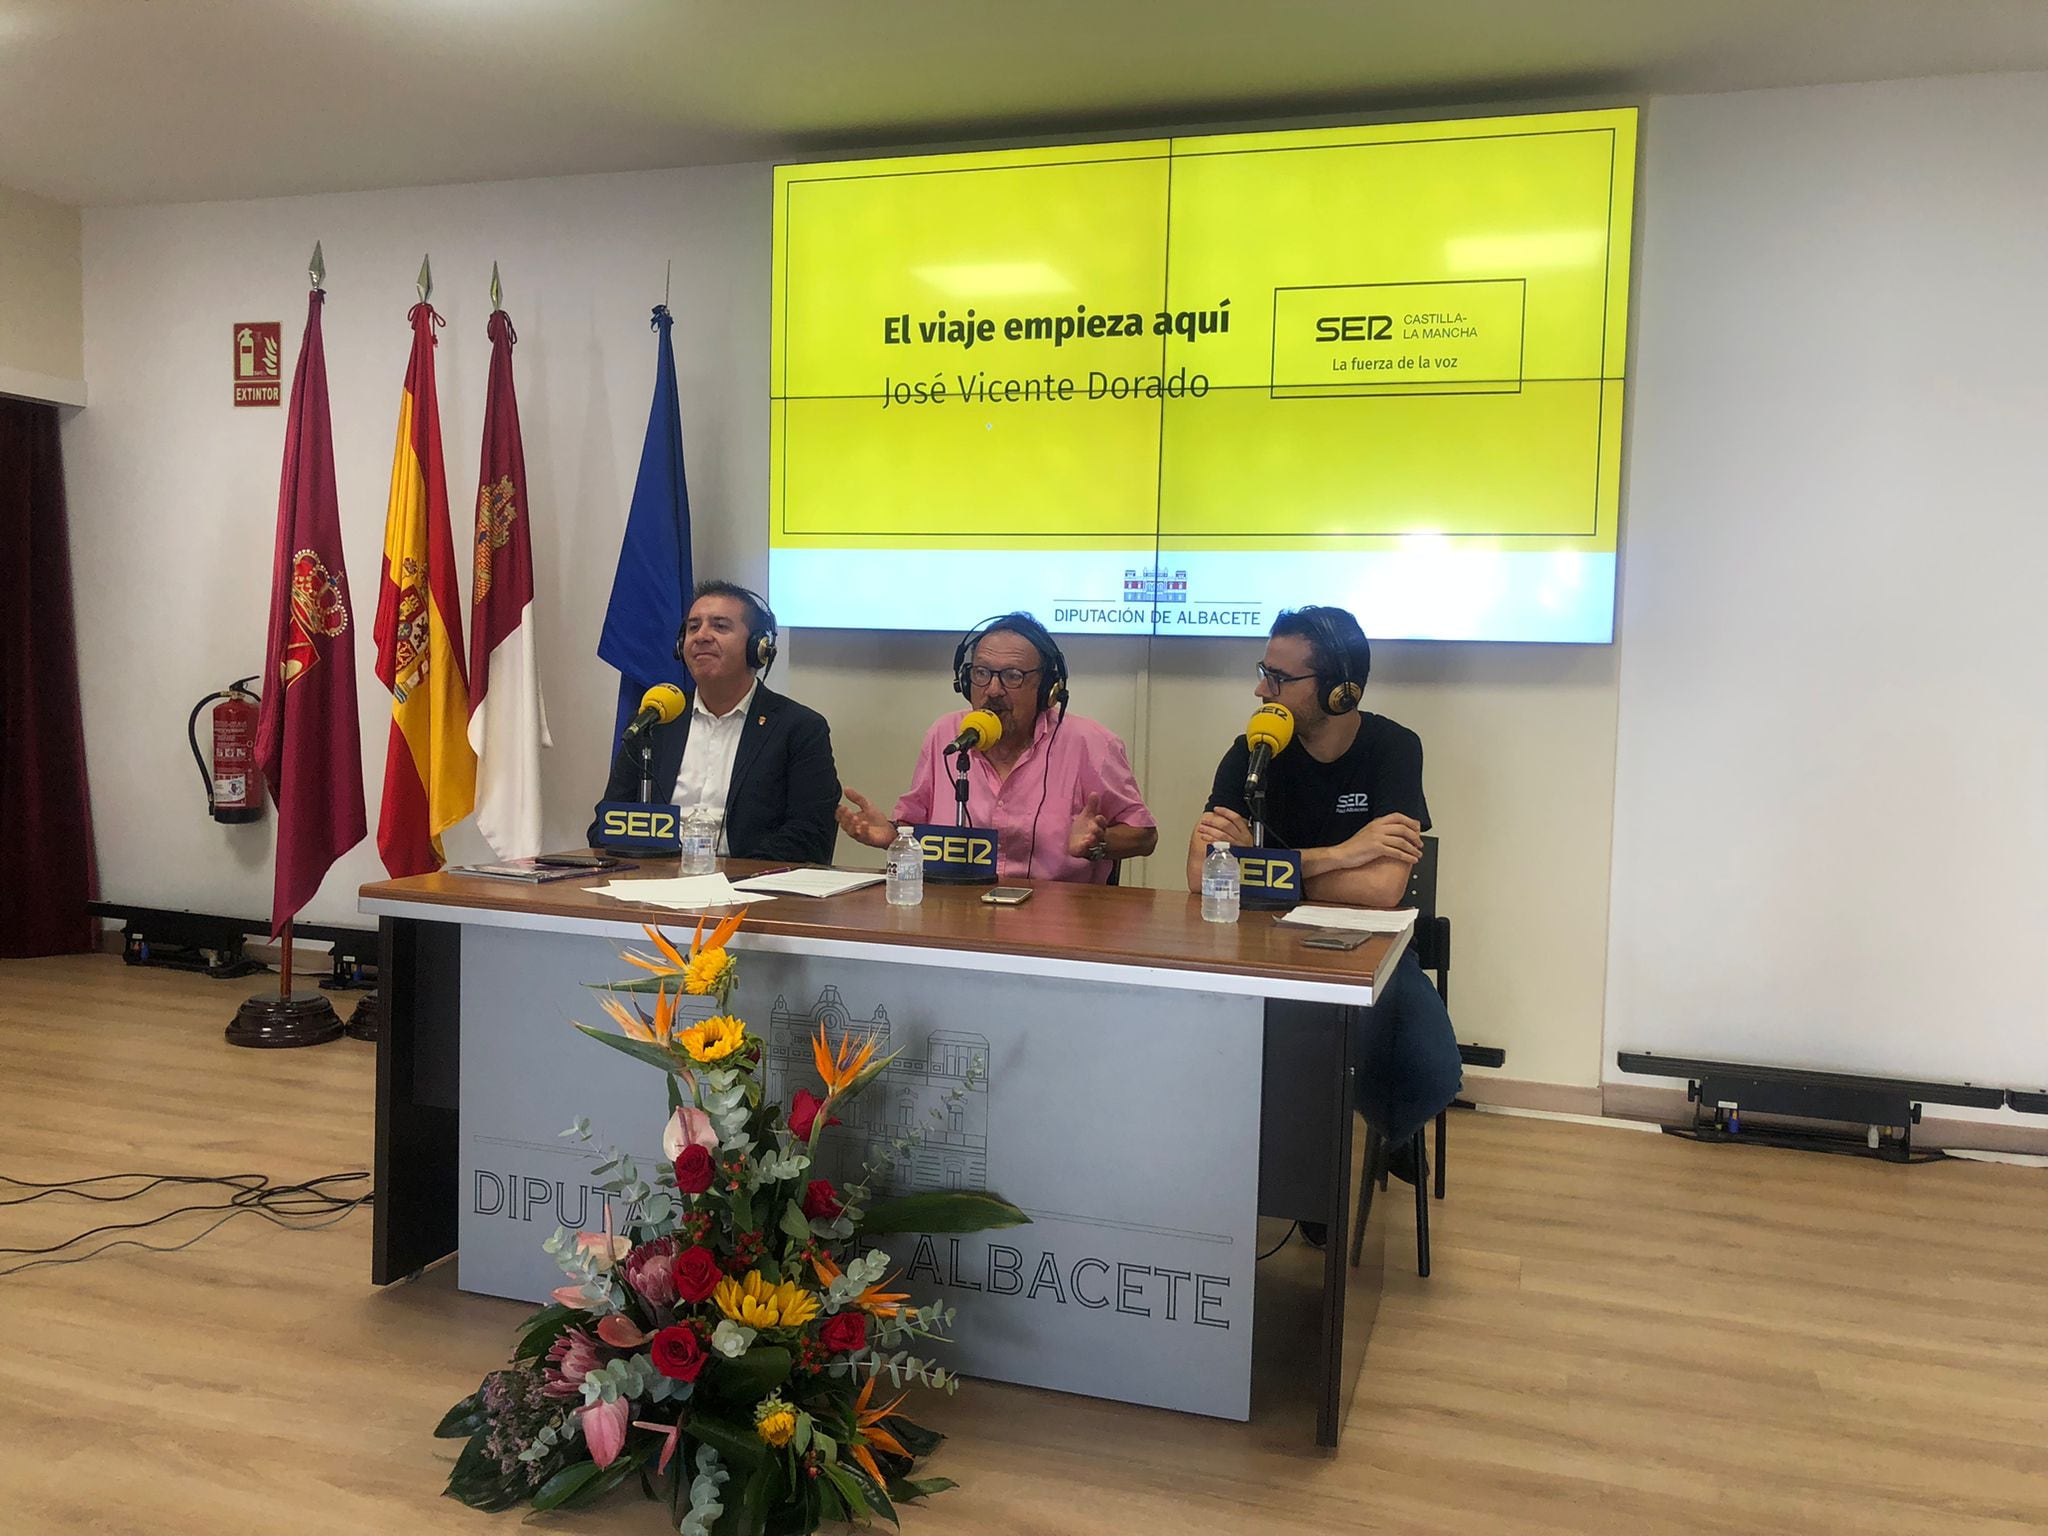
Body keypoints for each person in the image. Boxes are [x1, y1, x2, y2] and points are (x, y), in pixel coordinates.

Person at [1186, 604, 1461, 1199]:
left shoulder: (1393, 748)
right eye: (1265, 671)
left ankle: (1388, 1134)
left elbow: (1384, 889)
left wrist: (1265, 869)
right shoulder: (1251, 753)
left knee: (1428, 1070)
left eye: (1280, 679)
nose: (1263, 689)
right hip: (1262, 948)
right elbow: (1201, 873)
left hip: (1370, 949)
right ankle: (1301, 1183)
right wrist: (1340, 854)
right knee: (1240, 1058)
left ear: (1341, 690)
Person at [837, 613, 1157, 882]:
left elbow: (1144, 835)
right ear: (965, 680)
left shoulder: (1091, 743)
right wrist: (891, 836)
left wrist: (1097, 843)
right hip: (958, 912)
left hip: (1057, 922)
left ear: (1047, 687)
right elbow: (914, 825)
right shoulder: (947, 735)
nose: (992, 689)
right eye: (981, 673)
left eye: (1012, 676)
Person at [588, 580, 839, 863]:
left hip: (750, 889)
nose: (702, 636)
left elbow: (811, 835)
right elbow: (605, 825)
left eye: (720, 626)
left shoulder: (799, 728)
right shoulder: (654, 720)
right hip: (654, 883)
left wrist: (733, 877)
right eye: (693, 627)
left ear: (760, 647)